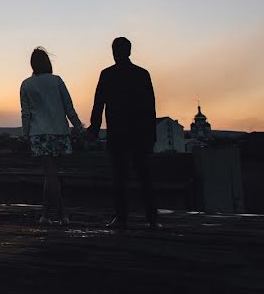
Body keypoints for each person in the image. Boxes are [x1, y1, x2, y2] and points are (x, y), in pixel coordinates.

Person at [87, 37, 161, 229]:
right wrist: (151, 135)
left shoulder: (107, 74)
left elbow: (98, 105)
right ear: (129, 51)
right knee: (145, 177)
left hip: (118, 134)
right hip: (140, 134)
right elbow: (150, 107)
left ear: (114, 51)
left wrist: (94, 130)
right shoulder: (142, 74)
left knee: (120, 178)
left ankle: (121, 219)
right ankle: (152, 220)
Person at [20, 47, 84, 225]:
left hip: (39, 134)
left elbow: (26, 113)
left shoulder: (26, 84)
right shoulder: (57, 81)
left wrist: (25, 135)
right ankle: (55, 215)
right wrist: (79, 128)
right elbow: (68, 108)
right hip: (59, 133)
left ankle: (51, 215)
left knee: (50, 175)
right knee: (52, 174)